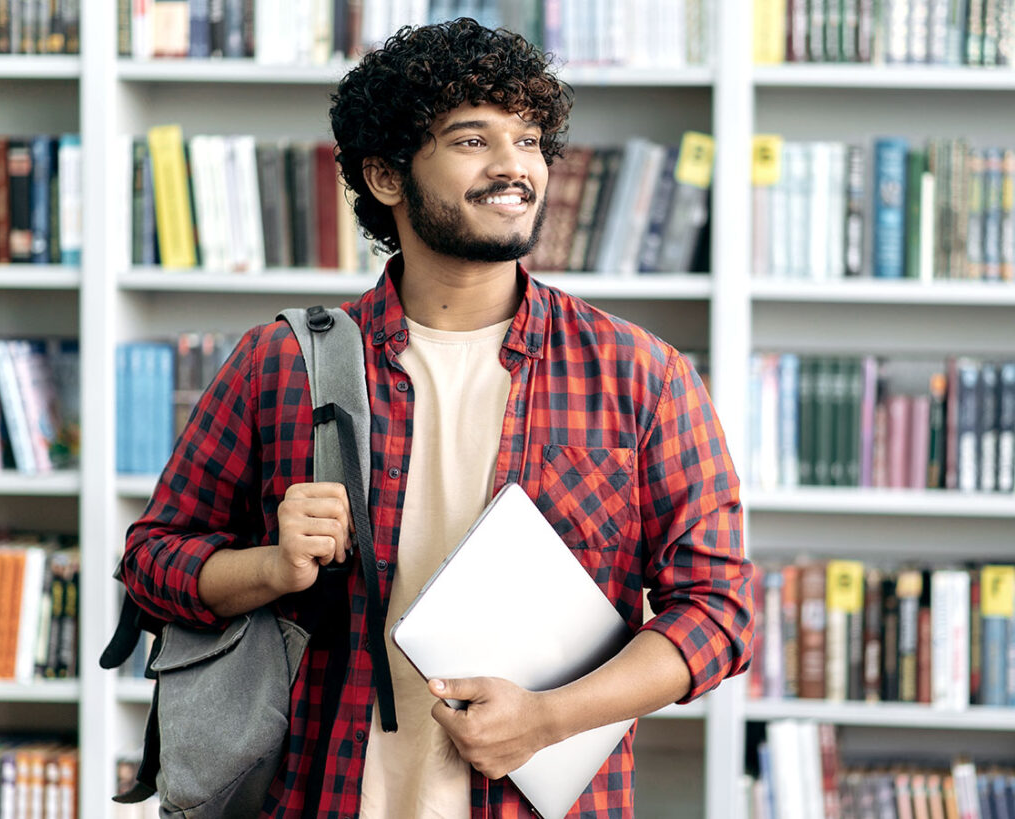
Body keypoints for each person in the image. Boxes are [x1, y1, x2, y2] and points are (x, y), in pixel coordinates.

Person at [121, 17, 754, 819]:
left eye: (529, 140)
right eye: (472, 140)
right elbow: (152, 563)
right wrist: (271, 568)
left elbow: (718, 611)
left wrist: (548, 719)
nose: (513, 166)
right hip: (322, 796)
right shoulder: (281, 363)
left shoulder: (640, 375)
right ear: (386, 176)